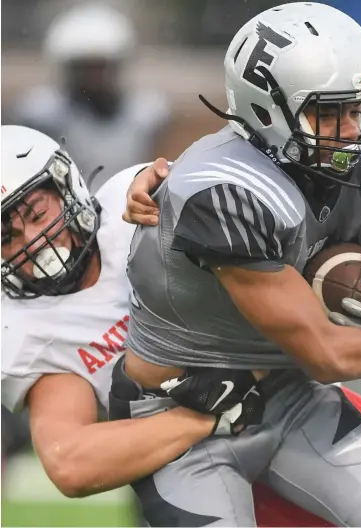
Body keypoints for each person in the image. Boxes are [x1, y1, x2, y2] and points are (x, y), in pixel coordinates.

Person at [112, 4, 361, 526]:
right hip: (179, 418)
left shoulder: (342, 156)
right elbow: (327, 355)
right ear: (267, 111)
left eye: (357, 108)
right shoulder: (223, 192)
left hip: (289, 399)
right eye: (329, 113)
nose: (351, 129)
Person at [0, 126, 251, 502]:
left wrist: (172, 186)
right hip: (190, 463)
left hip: (283, 388)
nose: (33, 241)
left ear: (68, 186)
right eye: (6, 238)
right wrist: (207, 416)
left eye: (37, 213)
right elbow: (70, 462)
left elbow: (243, 200)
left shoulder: (127, 204)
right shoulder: (27, 330)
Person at [6, 3, 173, 193]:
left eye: (100, 67)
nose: (94, 78)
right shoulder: (44, 114)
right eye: (85, 68)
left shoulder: (143, 114)